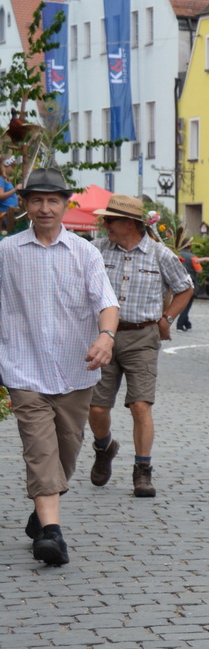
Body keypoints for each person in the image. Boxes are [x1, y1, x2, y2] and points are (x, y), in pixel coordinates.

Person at [0, 168, 119, 566]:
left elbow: (107, 303)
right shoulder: (7, 252)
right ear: (26, 205)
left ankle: (41, 510)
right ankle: (52, 535)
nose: (45, 208)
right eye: (37, 200)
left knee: (67, 449)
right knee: (40, 449)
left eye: (53, 200)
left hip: (75, 368)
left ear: (66, 205)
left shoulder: (86, 253)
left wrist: (105, 337)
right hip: (23, 366)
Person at [87, 195, 194, 499]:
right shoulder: (97, 249)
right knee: (96, 407)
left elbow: (185, 288)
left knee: (140, 404)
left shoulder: (159, 254)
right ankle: (104, 447)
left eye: (110, 219)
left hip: (142, 337)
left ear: (129, 223)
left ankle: (142, 471)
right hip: (102, 334)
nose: (104, 224)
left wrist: (167, 318)